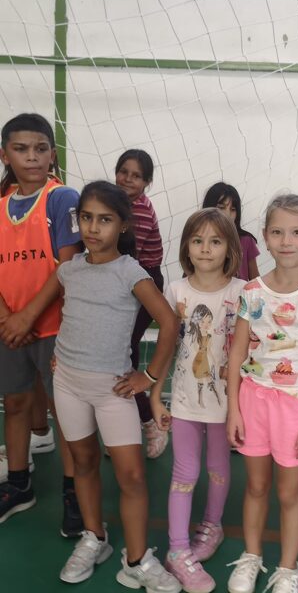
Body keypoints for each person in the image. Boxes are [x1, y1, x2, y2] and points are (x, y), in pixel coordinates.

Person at [18, 181, 180, 590]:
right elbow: (60, 312)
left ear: (122, 225)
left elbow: (169, 322)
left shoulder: (130, 272)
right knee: (84, 462)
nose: (93, 228)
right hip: (68, 383)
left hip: (113, 390)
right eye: (87, 218)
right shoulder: (69, 270)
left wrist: (148, 376)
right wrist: (62, 351)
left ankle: (138, 560)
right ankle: (95, 537)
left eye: (104, 219)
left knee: (132, 476)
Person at [226, 193, 298, 593]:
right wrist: (233, 410)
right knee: (255, 487)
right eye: (277, 232)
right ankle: (251, 556)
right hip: (253, 400)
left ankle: (288, 569)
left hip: (297, 406)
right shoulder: (252, 291)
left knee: (289, 493)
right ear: (265, 238)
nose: (287, 241)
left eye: (297, 232)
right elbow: (237, 352)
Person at [149, 208, 245, 593]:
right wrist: (156, 396)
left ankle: (212, 525)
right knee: (184, 473)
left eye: (215, 241)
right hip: (186, 402)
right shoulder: (176, 292)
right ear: (187, 247)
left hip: (226, 404)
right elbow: (165, 349)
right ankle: (177, 550)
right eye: (198, 240)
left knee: (219, 469)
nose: (206, 249)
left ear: (230, 248)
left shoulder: (242, 292)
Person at [0, 112, 83, 536]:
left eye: (40, 148)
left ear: (52, 154)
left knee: (63, 412)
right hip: (9, 330)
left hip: (54, 329)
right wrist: (7, 319)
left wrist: (27, 316)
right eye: (21, 149)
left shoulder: (62, 198)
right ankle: (19, 485)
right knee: (15, 404)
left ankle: (74, 491)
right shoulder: (0, 206)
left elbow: (67, 267)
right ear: (5, 155)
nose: (31, 157)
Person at [115, 149, 168, 458]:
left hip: (144, 283)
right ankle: (129, 423)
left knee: (124, 353)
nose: (127, 179)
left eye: (136, 176)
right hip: (124, 280)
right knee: (121, 353)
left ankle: (150, 422)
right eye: (123, 171)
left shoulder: (140, 212)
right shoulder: (117, 203)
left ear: (147, 182)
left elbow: (127, 256)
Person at [202, 182, 260, 281]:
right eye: (221, 208)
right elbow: (188, 278)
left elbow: (255, 281)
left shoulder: (246, 240)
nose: (227, 214)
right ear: (208, 208)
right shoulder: (198, 239)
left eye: (233, 209)